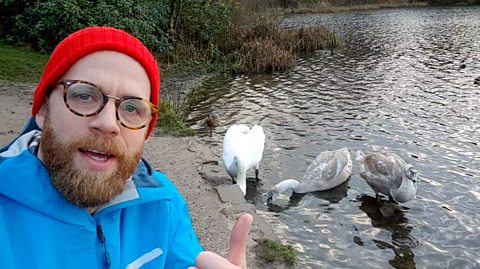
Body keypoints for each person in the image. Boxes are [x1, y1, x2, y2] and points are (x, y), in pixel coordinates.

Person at [0, 26, 253, 269]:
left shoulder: (162, 203)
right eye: (84, 96)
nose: (109, 123)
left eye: (132, 108)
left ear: (145, 132)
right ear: (43, 110)